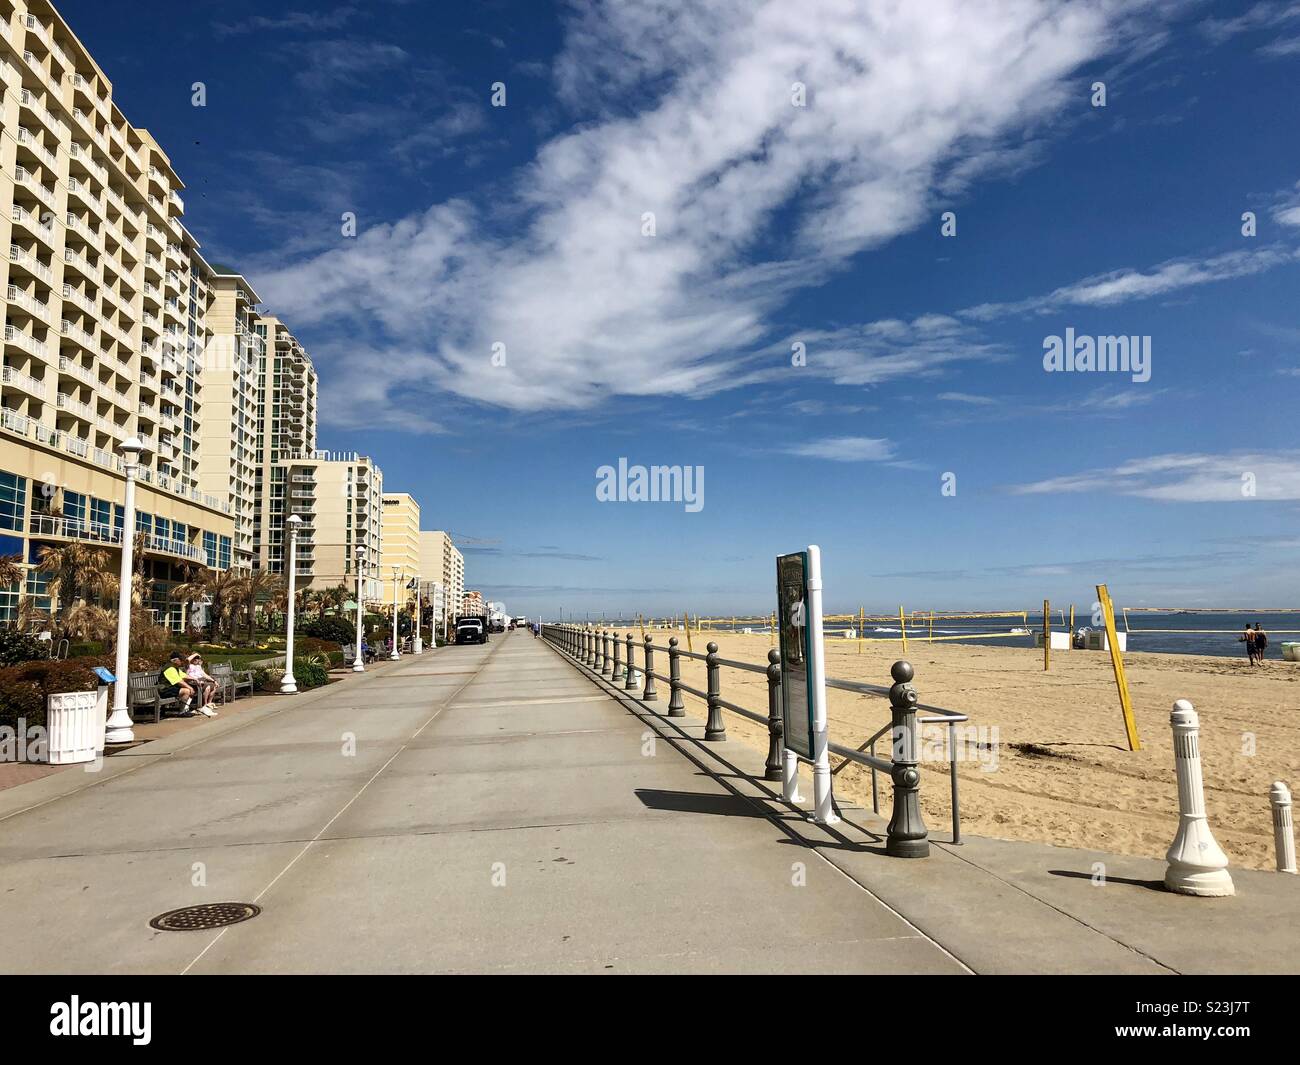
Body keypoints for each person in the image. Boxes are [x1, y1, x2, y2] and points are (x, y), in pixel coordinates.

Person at [158, 651, 197, 716]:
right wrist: (190, 687)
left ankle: (186, 709)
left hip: (170, 688)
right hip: (164, 690)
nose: (182, 662)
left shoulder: (174, 667)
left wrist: (194, 679)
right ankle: (182, 712)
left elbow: (183, 675)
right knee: (186, 691)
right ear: (175, 660)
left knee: (190, 688)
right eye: (181, 660)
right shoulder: (169, 668)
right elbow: (179, 681)